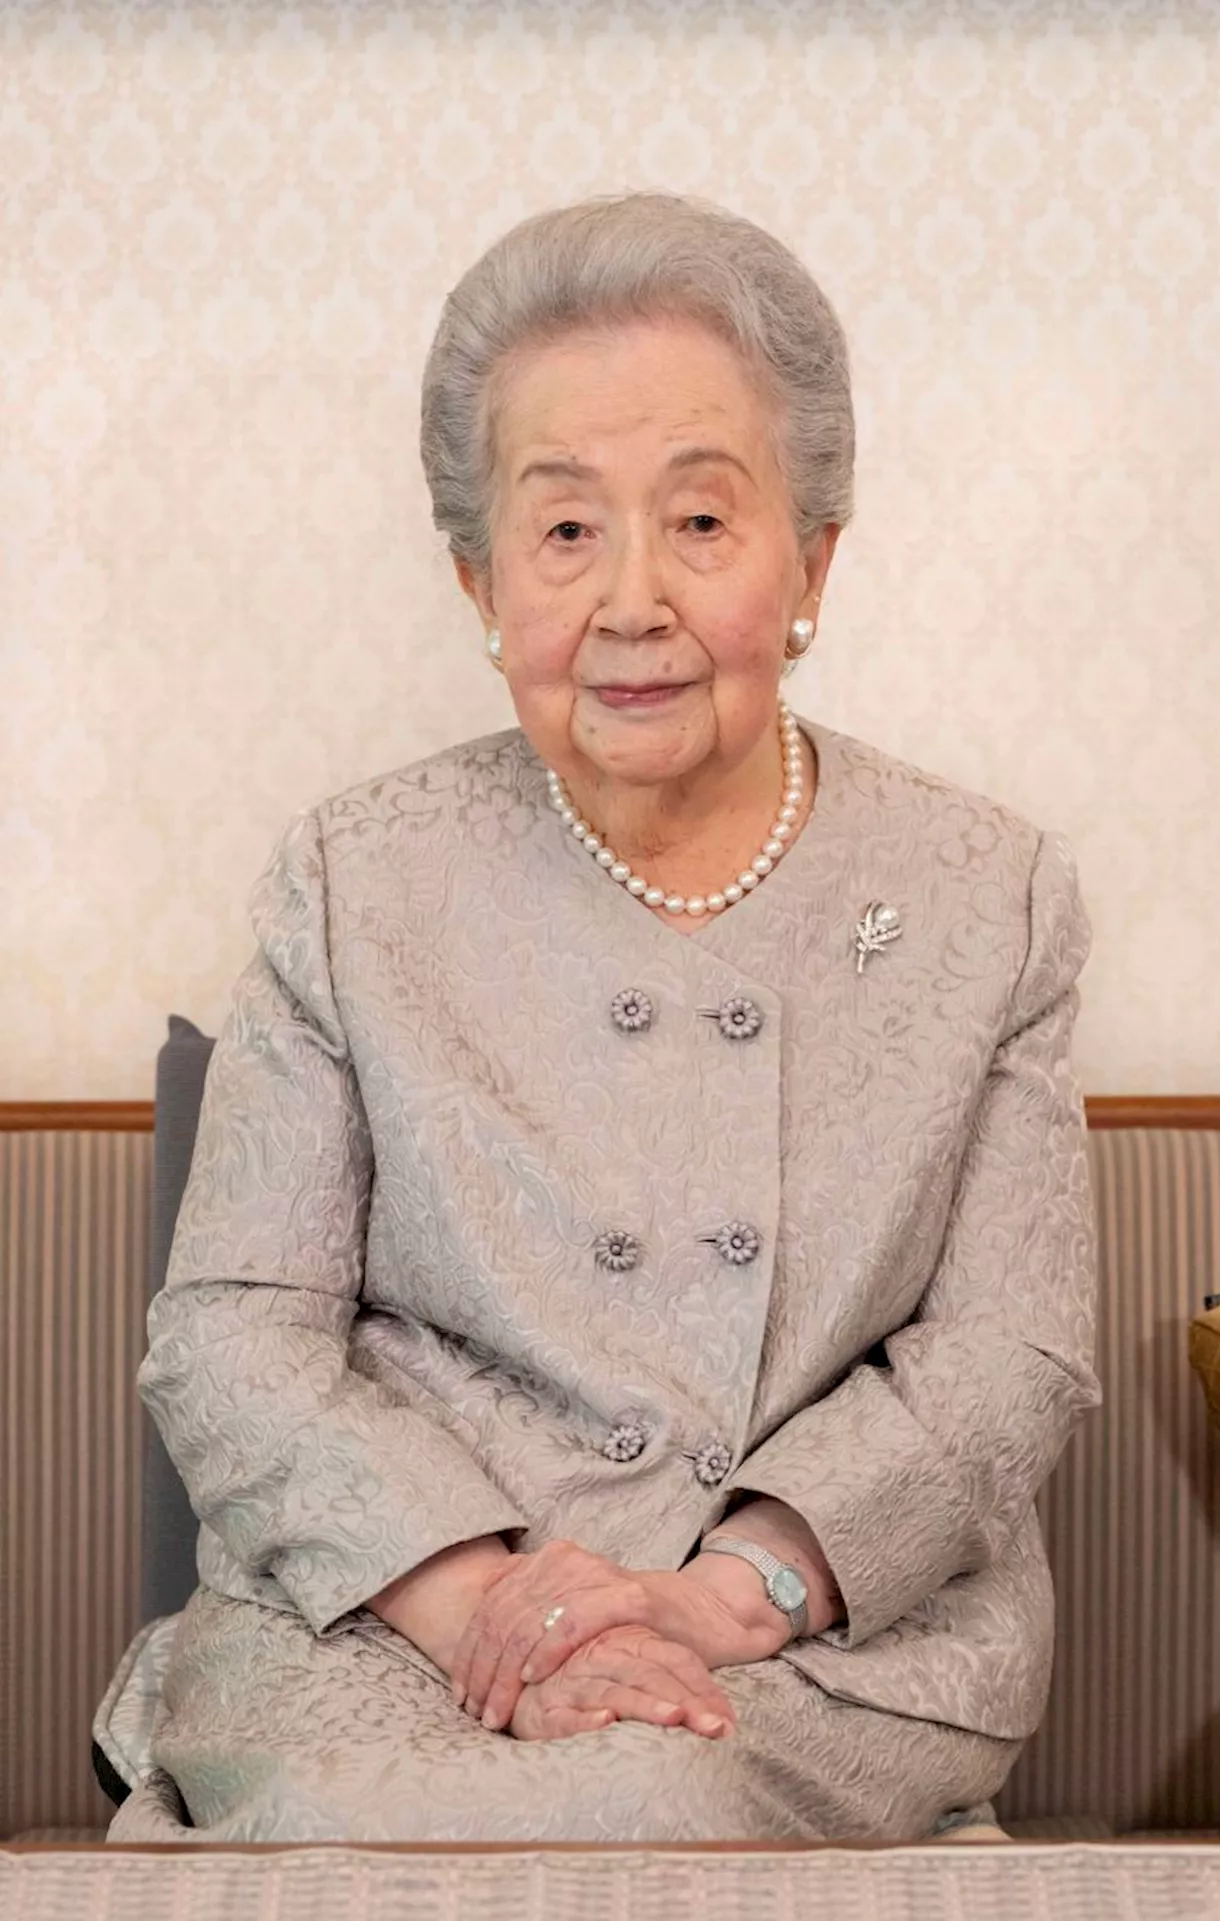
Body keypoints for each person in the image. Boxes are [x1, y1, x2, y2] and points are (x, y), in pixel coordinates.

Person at [105, 192, 1099, 1844]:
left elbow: (1010, 1357)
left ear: (813, 561)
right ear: (481, 580)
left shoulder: (988, 892)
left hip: (814, 1640)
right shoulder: (355, 880)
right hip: (395, 1617)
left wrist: (721, 1598)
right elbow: (231, 1334)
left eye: (701, 522)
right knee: (391, 1829)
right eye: (566, 532)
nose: (632, 600)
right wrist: (492, 1605)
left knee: (652, 1796)